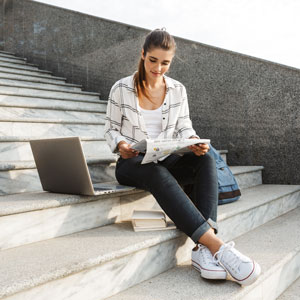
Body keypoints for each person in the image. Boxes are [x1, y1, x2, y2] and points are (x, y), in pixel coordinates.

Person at [104, 28, 261, 286]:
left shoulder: (177, 90)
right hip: (131, 163)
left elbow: (185, 125)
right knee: (155, 172)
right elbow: (110, 127)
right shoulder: (121, 88)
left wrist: (192, 141)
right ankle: (216, 246)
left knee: (206, 158)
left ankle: (201, 252)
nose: (158, 68)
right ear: (143, 54)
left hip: (164, 157)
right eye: (153, 60)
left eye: (165, 63)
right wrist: (120, 143)